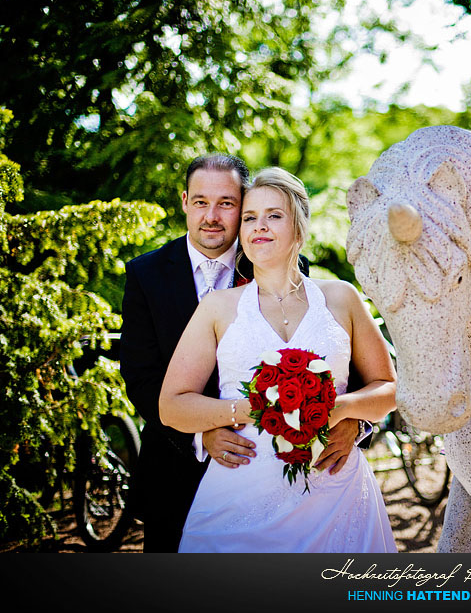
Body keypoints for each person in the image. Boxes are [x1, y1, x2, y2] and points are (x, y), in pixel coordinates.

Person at [120, 154, 364, 552]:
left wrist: (354, 421)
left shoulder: (279, 260)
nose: (211, 215)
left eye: (227, 203)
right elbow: (142, 378)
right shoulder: (146, 275)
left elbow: (338, 364)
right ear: (184, 202)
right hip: (177, 465)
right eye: (200, 201)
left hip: (290, 477)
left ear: (243, 205)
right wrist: (204, 430)